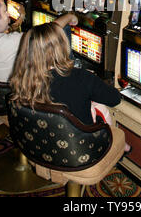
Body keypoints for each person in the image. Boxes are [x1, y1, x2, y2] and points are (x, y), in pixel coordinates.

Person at [9, 22, 132, 154]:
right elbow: (115, 98)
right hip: (81, 151)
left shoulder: (21, 79)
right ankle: (117, 148)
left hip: (40, 147)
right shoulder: (80, 77)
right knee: (100, 106)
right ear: (62, 47)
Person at [0, 0, 78, 84]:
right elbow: (49, 32)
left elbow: (5, 33)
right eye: (4, 11)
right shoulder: (10, 43)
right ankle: (76, 72)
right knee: (62, 32)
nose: (7, 14)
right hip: (18, 96)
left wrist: (20, 18)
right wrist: (69, 16)